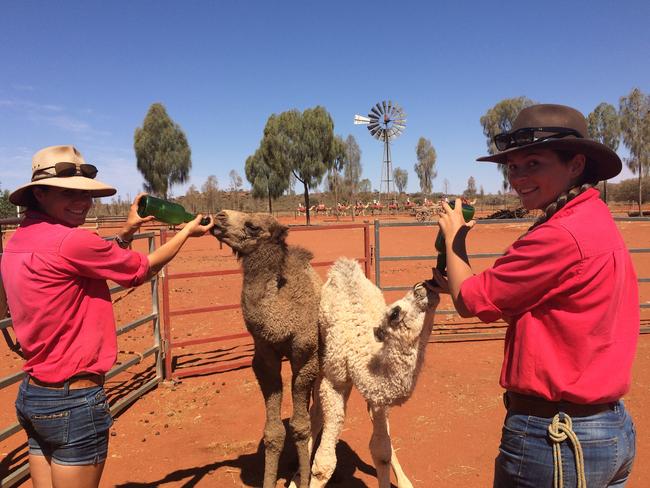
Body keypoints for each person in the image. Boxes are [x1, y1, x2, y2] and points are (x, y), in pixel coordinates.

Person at [432, 104, 639, 487]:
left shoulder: (560, 234)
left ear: (576, 165)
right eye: (513, 167)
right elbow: (557, 307)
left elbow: (470, 302)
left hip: (555, 439)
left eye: (533, 163)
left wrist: (454, 236)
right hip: (607, 430)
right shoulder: (593, 219)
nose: (518, 177)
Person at [1, 145, 214, 488]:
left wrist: (127, 232)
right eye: (68, 193)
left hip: (35, 396)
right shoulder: (71, 242)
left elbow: (90, 259)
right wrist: (186, 233)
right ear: (39, 193)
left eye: (86, 195)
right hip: (74, 402)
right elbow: (140, 270)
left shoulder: (18, 240)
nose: (82, 203)